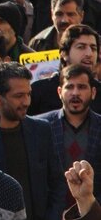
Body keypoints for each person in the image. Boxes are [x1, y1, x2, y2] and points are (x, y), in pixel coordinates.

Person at [0, 62, 65, 220]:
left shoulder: (41, 130)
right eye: (18, 96)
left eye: (28, 94)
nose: (26, 102)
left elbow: (57, 183)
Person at [37, 64, 101, 203]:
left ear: (93, 92)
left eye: (82, 87)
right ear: (59, 92)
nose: (75, 93)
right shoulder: (39, 127)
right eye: (69, 87)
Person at [30, 24, 100, 115]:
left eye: (93, 48)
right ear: (64, 53)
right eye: (81, 47)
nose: (89, 54)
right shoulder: (39, 91)